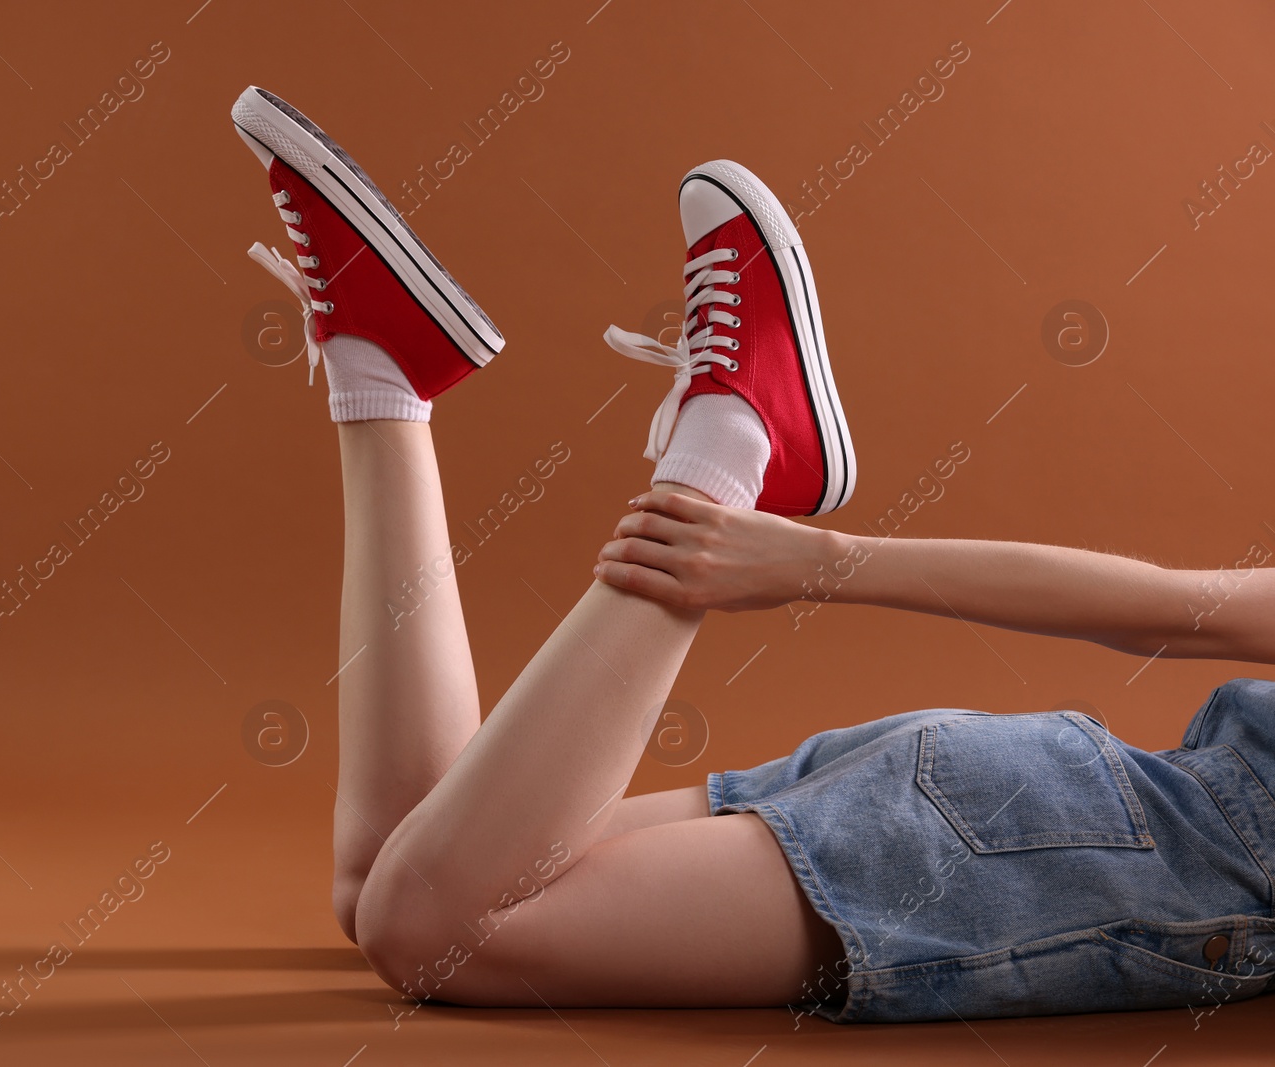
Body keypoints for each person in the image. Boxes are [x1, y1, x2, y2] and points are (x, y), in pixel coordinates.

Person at [231, 86, 1275, 1024]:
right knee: (433, 922)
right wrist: (815, 560)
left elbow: (1167, 606)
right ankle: (736, 442)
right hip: (1071, 852)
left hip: (1049, 797)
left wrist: (826, 560)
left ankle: (380, 368)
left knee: (396, 869)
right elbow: (1170, 609)